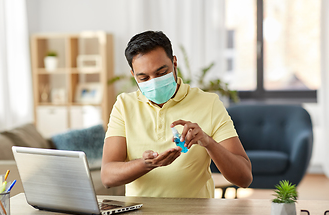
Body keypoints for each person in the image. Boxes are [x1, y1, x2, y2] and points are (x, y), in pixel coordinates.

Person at [101, 30, 252, 198]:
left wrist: (208, 142)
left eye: (161, 73)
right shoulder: (124, 105)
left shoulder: (209, 104)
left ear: (174, 63)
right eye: (144, 78)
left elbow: (244, 178)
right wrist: (146, 164)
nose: (154, 83)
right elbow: (107, 176)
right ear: (133, 75)